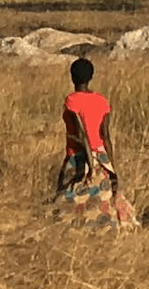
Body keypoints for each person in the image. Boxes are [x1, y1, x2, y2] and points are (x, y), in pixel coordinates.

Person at [52, 58, 137, 228]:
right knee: (102, 202)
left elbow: (81, 134)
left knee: (64, 198)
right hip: (101, 155)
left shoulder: (72, 101)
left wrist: (89, 164)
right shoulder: (102, 101)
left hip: (79, 156)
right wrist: (111, 165)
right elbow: (105, 136)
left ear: (71, 77)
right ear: (91, 77)